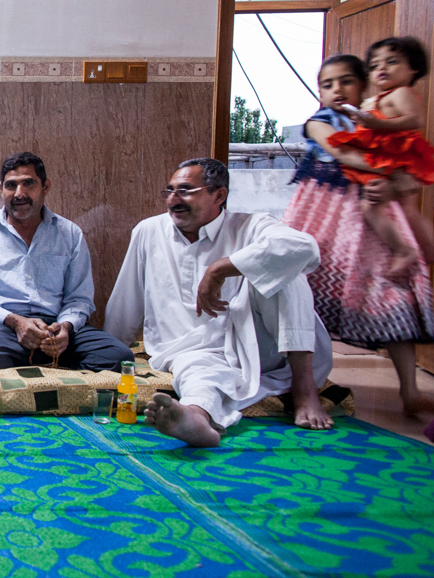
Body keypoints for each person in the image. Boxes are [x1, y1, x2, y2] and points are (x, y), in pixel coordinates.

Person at [105, 158, 334, 447]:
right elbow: (127, 297)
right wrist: (112, 351)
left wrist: (221, 268)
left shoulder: (251, 226)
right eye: (170, 191)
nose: (174, 199)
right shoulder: (149, 231)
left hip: (262, 345)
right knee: (201, 375)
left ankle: (304, 388)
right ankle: (196, 418)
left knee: (289, 270)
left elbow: (305, 248)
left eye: (186, 190)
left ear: (219, 194)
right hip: (191, 349)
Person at [284, 54, 434, 416]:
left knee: (395, 295)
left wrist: (400, 176)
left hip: (373, 223)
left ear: (363, 86)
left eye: (346, 81)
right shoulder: (318, 122)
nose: (337, 89)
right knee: (300, 299)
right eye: (328, 84)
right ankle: (303, 383)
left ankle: (410, 391)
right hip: (325, 219)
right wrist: (392, 171)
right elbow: (342, 153)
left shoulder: (377, 122)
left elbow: (408, 158)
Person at [0, 152, 133, 371]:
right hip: (3, 325)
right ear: (1, 188)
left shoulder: (69, 233)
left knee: (117, 356)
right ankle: (39, 366)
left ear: (45, 186)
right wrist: (16, 322)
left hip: (55, 326)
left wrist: (66, 327)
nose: (19, 193)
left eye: (28, 183)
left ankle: (57, 381)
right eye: (11, 185)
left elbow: (80, 298)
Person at [328, 37, 434, 277]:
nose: (381, 68)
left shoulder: (401, 93)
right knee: (408, 208)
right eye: (374, 66)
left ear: (413, 68)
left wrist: (375, 122)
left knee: (370, 206)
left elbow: (415, 120)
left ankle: (404, 250)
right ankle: (431, 248)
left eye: (391, 62)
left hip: (399, 158)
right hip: (395, 158)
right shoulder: (382, 98)